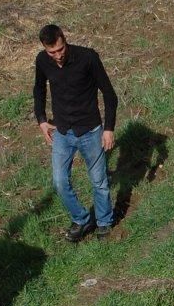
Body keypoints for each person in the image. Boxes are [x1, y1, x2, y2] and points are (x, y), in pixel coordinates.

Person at [33, 23, 119, 241]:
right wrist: (42, 120)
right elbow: (39, 89)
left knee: (98, 180)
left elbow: (109, 94)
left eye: (60, 49)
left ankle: (104, 221)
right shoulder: (43, 61)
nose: (58, 55)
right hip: (62, 131)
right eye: (52, 52)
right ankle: (81, 219)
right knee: (60, 182)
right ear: (45, 49)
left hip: (90, 130)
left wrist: (108, 129)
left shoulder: (87, 58)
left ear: (65, 39)